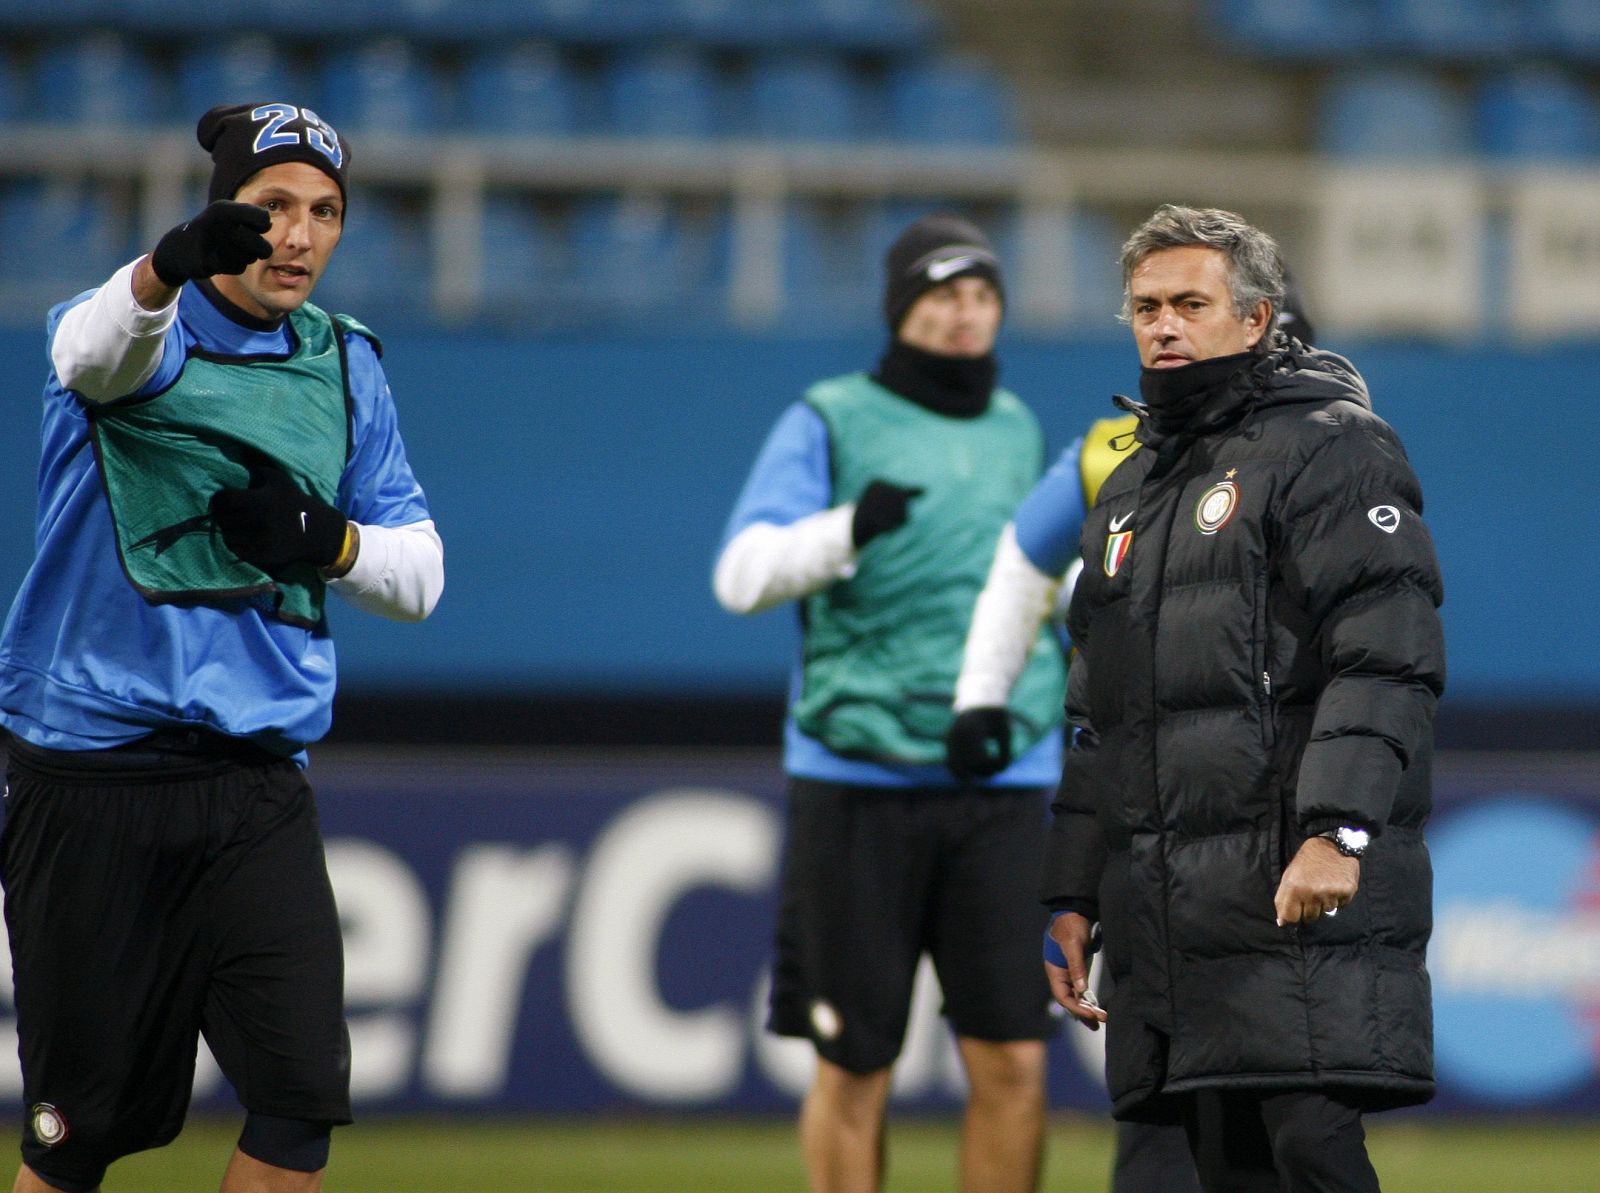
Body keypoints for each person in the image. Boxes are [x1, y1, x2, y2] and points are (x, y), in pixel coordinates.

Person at [0, 102, 443, 1193]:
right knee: (76, 1138)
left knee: (299, 1103)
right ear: (222, 215)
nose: (299, 236)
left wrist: (327, 541)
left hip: (256, 786)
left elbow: (421, 572)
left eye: (325, 212)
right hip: (96, 777)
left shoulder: (346, 367)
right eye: (273, 207)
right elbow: (91, 351)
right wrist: (159, 271)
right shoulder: (128, 333)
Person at [1038, 204, 1444, 1193]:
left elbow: (1385, 654)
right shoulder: (1129, 491)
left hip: (1283, 887)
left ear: (1257, 319)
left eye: (1189, 302)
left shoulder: (1333, 450)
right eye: (1143, 306)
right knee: (1174, 1167)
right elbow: (1103, 715)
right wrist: (1072, 888)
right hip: (1163, 920)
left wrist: (1337, 829)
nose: (1162, 324)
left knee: (1305, 1150)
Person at [714, 213, 1066, 1193]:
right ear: (902, 304)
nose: (966, 313)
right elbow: (740, 574)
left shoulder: (1018, 425)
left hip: (1001, 776)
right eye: (944, 292)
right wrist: (842, 530)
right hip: (856, 777)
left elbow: (1041, 582)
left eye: (982, 293)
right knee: (853, 1060)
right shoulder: (828, 416)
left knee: (1013, 1059)